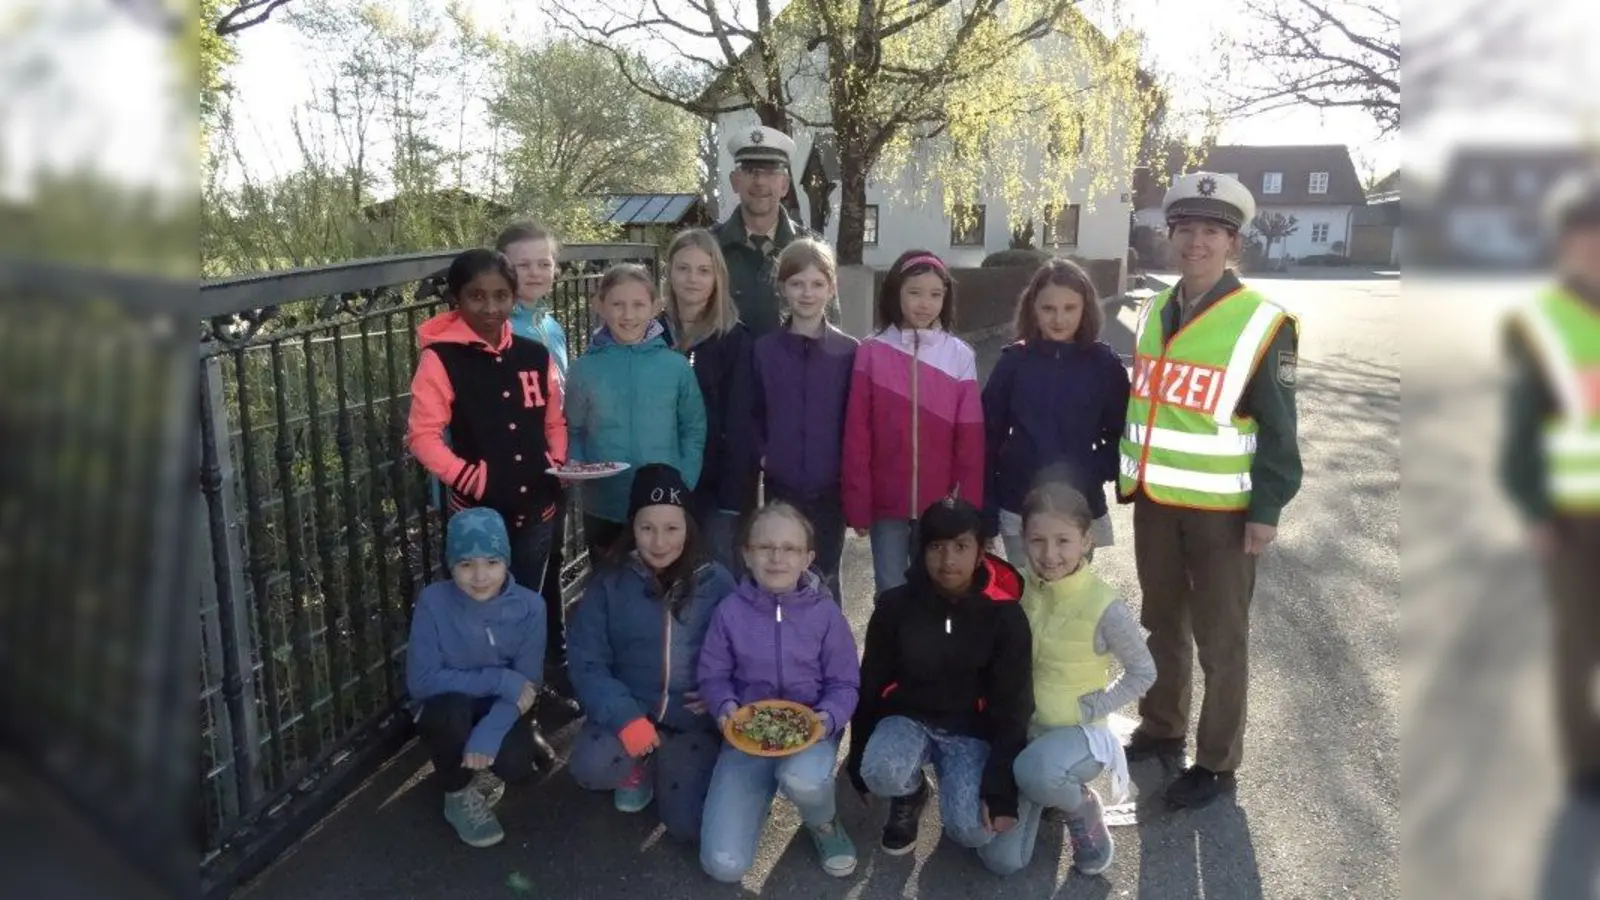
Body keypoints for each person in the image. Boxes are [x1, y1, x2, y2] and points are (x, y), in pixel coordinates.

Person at [1116, 171, 1302, 809]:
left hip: (1225, 513)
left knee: (1222, 641)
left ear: (1233, 243)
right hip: (1157, 504)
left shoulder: (1263, 322)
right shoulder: (1152, 311)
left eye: (1212, 232)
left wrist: (1267, 510)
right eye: (1186, 229)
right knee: (1160, 623)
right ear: (1171, 236)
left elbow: (1280, 428)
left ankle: (1217, 762)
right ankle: (1162, 726)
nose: (1196, 242)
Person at [404, 248, 566, 768]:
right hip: (478, 519)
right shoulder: (441, 358)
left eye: (501, 296)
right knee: (474, 609)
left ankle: (522, 715)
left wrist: (556, 462)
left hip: (536, 507)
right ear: (457, 299)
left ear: (514, 297)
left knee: (526, 608)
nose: (491, 307)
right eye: (477, 296)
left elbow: (554, 420)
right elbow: (423, 435)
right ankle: (468, 712)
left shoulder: (534, 354)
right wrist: (467, 476)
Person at [978, 483, 1155, 877]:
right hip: (1023, 733)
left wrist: (1097, 705)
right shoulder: (1014, 587)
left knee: (1035, 772)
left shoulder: (1104, 604)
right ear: (1023, 539)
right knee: (1001, 861)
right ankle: (1045, 792)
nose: (1049, 554)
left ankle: (1080, 806)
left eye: (1063, 541)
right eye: (1037, 540)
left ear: (1086, 540)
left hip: (1077, 735)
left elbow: (1144, 670)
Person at [846, 496, 1033, 859]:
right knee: (879, 770)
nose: (948, 560)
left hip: (970, 731)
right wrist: (857, 760)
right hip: (908, 718)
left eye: (961, 547)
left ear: (980, 552)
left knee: (972, 832)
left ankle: (960, 788)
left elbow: (1015, 704)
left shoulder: (1005, 616)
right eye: (936, 546)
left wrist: (1000, 791)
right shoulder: (894, 606)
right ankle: (912, 792)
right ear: (921, 549)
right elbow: (870, 684)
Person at [1498, 168, 1600, 806]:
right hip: (1574, 515)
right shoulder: (1543, 322)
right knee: (1578, 640)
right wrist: (1535, 510)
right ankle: (1584, 759)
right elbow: (1521, 434)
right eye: (1584, 235)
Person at [565, 464, 737, 842]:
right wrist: (624, 717)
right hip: (631, 707)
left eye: (671, 528)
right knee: (591, 766)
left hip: (690, 719)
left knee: (689, 826)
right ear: (632, 528)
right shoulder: (609, 581)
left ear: (689, 528)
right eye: (647, 528)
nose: (659, 542)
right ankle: (638, 762)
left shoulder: (717, 582)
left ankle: (670, 762)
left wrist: (721, 693)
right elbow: (586, 660)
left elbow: (743, 650)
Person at [696, 503, 862, 881]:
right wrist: (724, 706)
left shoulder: (825, 614)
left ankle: (823, 822)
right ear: (746, 555)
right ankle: (756, 794)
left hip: (810, 731)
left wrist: (827, 719)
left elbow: (844, 683)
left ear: (807, 558)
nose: (777, 557)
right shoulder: (729, 612)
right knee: (723, 865)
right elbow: (714, 675)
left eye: (789, 548)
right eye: (765, 547)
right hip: (747, 735)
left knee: (803, 779)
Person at [843, 250, 985, 595]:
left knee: (938, 589)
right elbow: (857, 435)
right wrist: (858, 503)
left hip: (940, 507)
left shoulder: (959, 355)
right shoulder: (870, 351)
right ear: (896, 292)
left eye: (936, 294)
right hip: (886, 505)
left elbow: (970, 440)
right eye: (915, 292)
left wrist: (968, 507)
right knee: (890, 591)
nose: (925, 303)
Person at [405, 508, 547, 848]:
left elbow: (527, 683)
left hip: (500, 705)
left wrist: (490, 732)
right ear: (451, 565)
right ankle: (457, 791)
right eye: (466, 564)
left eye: (492, 562)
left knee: (517, 764)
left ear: (506, 561)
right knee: (447, 713)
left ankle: (482, 762)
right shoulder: (433, 602)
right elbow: (421, 680)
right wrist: (497, 679)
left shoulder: (530, 607)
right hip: (451, 703)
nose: (480, 576)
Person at [981, 258, 1130, 563]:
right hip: (1019, 503)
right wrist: (986, 507)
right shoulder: (1014, 362)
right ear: (1033, 309)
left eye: (1069, 308)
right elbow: (986, 438)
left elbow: (1123, 434)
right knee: (1024, 591)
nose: (1059, 318)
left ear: (1085, 308)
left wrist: (1091, 470)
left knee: (1071, 592)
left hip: (1078, 506)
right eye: (1048, 308)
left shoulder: (1104, 364)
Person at [565, 264, 708, 562]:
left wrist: (683, 482)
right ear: (599, 305)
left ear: (655, 307)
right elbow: (574, 429)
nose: (628, 315)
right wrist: (576, 462)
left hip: (662, 504)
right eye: (617, 304)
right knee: (608, 579)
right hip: (604, 503)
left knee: (661, 580)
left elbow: (693, 429)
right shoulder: (583, 369)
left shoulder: (676, 367)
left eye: (638, 305)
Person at [496, 221, 579, 712]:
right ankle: (522, 688)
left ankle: (553, 666)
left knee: (549, 568)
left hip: (554, 469)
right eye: (521, 264)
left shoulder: (550, 326)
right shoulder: (498, 330)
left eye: (543, 263)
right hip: (515, 477)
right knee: (521, 580)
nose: (533, 272)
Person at [752, 238, 859, 602]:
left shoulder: (848, 351)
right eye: (797, 283)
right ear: (782, 287)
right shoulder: (765, 350)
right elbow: (754, 411)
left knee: (825, 580)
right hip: (781, 486)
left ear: (831, 288)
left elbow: (855, 419)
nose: (807, 293)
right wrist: (765, 453)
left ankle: (830, 640)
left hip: (830, 489)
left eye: (816, 284)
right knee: (782, 575)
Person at [662, 228, 759, 570]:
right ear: (669, 272)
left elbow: (741, 422)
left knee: (715, 577)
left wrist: (732, 499)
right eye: (683, 268)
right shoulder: (652, 332)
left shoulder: (734, 339)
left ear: (718, 277)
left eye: (704, 270)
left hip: (716, 488)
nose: (693, 279)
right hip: (661, 480)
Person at [712, 125, 808, 335]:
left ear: (785, 185)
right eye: (750, 171)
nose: (760, 181)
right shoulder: (708, 247)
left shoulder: (810, 249)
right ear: (735, 181)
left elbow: (828, 331)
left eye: (771, 172)